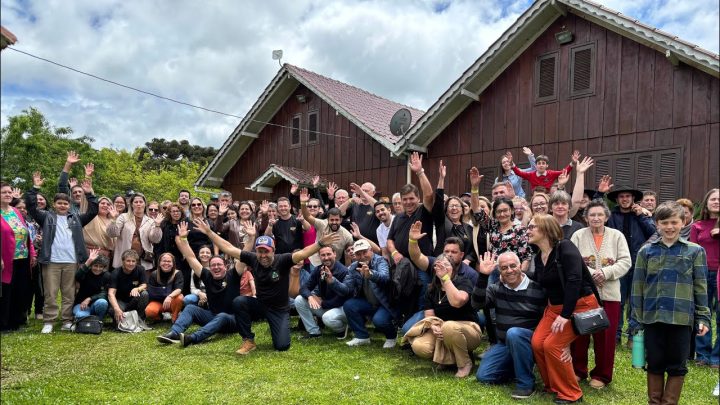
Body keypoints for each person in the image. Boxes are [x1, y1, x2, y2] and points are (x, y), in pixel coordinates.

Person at [192, 217, 339, 354]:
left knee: (282, 346)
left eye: (266, 251)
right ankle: (248, 340)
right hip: (260, 305)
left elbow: (303, 253)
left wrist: (320, 244)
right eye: (259, 251)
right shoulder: (253, 259)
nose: (262, 255)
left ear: (273, 250)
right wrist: (209, 232)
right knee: (239, 301)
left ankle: (277, 329)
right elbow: (229, 248)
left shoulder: (283, 260)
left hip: (279, 310)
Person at [632, 201, 711, 405]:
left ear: (683, 222)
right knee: (655, 362)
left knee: (677, 365)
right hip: (652, 317)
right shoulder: (646, 252)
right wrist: (636, 320)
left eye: (674, 222)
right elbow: (638, 287)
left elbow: (700, 287)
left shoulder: (695, 251)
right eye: (664, 222)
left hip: (681, 318)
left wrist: (703, 317)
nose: (669, 227)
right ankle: (654, 402)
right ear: (657, 224)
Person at [527, 214, 600, 404]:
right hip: (554, 308)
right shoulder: (539, 256)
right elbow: (541, 283)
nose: (528, 230)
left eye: (532, 227)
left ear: (545, 229)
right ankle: (553, 385)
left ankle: (571, 393)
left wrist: (565, 315)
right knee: (537, 343)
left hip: (580, 305)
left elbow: (574, 280)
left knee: (553, 345)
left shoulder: (565, 247)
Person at [569, 199, 631, 389]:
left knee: (606, 336)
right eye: (592, 215)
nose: (596, 218)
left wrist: (605, 272)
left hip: (610, 295)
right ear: (586, 217)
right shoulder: (578, 235)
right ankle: (578, 370)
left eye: (599, 214)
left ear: (606, 217)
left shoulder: (617, 236)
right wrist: (590, 275)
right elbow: (572, 261)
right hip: (584, 294)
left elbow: (625, 261)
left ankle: (602, 375)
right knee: (580, 333)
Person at [26, 172, 98, 333]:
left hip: (71, 261)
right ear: (54, 204)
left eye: (65, 203)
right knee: (50, 293)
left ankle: (66, 320)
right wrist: (35, 187)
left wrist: (89, 193)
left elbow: (93, 211)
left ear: (69, 205)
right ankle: (49, 321)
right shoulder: (46, 217)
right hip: (51, 261)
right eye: (59, 203)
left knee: (68, 293)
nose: (63, 206)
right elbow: (30, 206)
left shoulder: (76, 218)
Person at [473, 252, 546, 399]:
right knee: (484, 376)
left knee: (514, 333)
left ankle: (526, 384)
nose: (509, 270)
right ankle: (518, 366)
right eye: (504, 267)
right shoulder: (496, 288)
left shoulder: (538, 290)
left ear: (520, 266)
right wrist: (483, 276)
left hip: (530, 342)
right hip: (504, 344)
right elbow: (477, 304)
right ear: (499, 271)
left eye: (513, 266)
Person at [156, 222, 243, 346]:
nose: (216, 267)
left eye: (219, 264)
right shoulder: (207, 275)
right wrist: (184, 239)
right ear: (210, 268)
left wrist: (251, 238)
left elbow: (243, 257)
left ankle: (193, 338)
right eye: (213, 265)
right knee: (190, 308)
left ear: (226, 266)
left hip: (232, 319)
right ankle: (174, 333)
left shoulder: (233, 275)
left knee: (223, 316)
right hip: (212, 316)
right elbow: (191, 257)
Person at [401, 253, 480, 378]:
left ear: (453, 268)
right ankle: (449, 359)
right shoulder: (431, 289)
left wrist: (445, 279)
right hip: (443, 330)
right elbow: (429, 315)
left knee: (449, 327)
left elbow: (457, 302)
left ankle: (465, 363)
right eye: (439, 265)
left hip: (468, 329)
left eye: (446, 265)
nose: (443, 268)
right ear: (435, 269)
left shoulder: (463, 281)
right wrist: (433, 326)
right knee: (419, 346)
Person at [606, 185, 656, 347]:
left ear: (633, 198)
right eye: (621, 196)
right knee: (617, 301)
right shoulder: (611, 216)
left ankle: (633, 336)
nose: (625, 199)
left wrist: (641, 215)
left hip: (637, 263)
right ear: (617, 199)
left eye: (628, 196)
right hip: (617, 263)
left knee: (636, 301)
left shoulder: (642, 215)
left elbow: (654, 233)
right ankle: (615, 335)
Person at [342, 239, 397, 348]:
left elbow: (385, 278)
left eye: (364, 252)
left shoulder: (381, 261)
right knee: (349, 305)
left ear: (371, 250)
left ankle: (391, 337)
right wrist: (332, 281)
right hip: (369, 302)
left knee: (379, 320)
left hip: (385, 303)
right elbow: (346, 288)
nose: (362, 256)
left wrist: (371, 274)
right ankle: (362, 337)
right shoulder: (353, 266)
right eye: (358, 254)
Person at [1, 183, 36, 332]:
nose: (8, 194)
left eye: (9, 192)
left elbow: (26, 233)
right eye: (4, 192)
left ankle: (16, 321)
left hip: (22, 257)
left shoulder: (16, 211)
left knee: (20, 289)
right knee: (5, 291)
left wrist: (32, 253)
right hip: (6, 260)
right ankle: (4, 323)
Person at [294, 246, 351, 338]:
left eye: (328, 254)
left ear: (334, 254)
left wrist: (322, 303)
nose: (326, 257)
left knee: (327, 318)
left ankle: (342, 329)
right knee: (299, 299)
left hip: (342, 308)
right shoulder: (318, 269)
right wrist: (310, 296)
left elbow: (344, 296)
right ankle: (314, 332)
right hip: (326, 305)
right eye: (323, 255)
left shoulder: (343, 271)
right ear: (319, 256)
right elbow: (304, 288)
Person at [690, 188, 719, 369]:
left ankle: (717, 358)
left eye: (719, 199)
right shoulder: (697, 226)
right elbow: (692, 251)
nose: (716, 202)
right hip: (702, 273)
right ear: (706, 203)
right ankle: (702, 355)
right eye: (713, 199)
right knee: (702, 314)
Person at [106, 193, 161, 272]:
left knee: (143, 279)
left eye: (141, 202)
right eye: (136, 202)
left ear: (145, 204)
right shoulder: (123, 217)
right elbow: (112, 234)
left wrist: (157, 226)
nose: (138, 204)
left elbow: (155, 240)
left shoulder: (150, 221)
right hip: (124, 258)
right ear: (131, 204)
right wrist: (113, 220)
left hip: (143, 260)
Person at [299, 189, 354, 266]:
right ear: (327, 219)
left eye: (336, 220)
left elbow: (347, 256)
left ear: (341, 220)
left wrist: (347, 269)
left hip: (334, 264)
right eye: (332, 220)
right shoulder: (322, 224)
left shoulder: (347, 236)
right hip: (316, 262)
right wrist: (303, 203)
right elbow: (307, 216)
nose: (334, 222)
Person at [432, 160, 473, 258]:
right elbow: (438, 202)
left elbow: (473, 249)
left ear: (462, 210)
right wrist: (441, 178)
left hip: (463, 264)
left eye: (457, 206)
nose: (454, 208)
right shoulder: (442, 223)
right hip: (443, 262)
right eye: (451, 206)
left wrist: (468, 259)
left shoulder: (469, 228)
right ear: (446, 210)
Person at [108, 249, 149, 323]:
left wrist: (137, 289)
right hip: (120, 301)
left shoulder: (140, 269)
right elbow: (111, 293)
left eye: (133, 261)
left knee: (144, 294)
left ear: (136, 262)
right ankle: (123, 319)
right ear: (123, 261)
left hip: (134, 300)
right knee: (112, 311)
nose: (131, 263)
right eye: (128, 261)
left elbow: (145, 285)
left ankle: (140, 319)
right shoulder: (115, 273)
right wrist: (116, 308)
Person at [508, 150, 579, 193]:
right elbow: (519, 173)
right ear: (536, 165)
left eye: (543, 163)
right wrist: (511, 163)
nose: (541, 165)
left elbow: (564, 172)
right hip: (535, 197)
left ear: (547, 165)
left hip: (548, 197)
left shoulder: (551, 173)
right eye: (539, 163)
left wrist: (572, 163)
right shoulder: (531, 175)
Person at [72, 249, 111, 320]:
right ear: (91, 265)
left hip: (96, 303)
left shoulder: (107, 276)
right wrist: (89, 261)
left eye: (101, 267)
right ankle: (87, 319)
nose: (98, 269)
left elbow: (105, 293)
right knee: (81, 316)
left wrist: (90, 298)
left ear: (104, 267)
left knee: (103, 302)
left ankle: (98, 320)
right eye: (95, 266)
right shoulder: (86, 272)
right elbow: (78, 276)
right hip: (81, 303)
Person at [145, 253, 184, 322]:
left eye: (169, 261)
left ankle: (174, 316)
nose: (166, 263)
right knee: (149, 311)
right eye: (164, 261)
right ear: (159, 263)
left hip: (171, 302)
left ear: (173, 264)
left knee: (180, 297)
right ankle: (159, 317)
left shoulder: (177, 273)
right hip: (158, 302)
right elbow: (151, 293)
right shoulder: (154, 274)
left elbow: (179, 289)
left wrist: (169, 296)